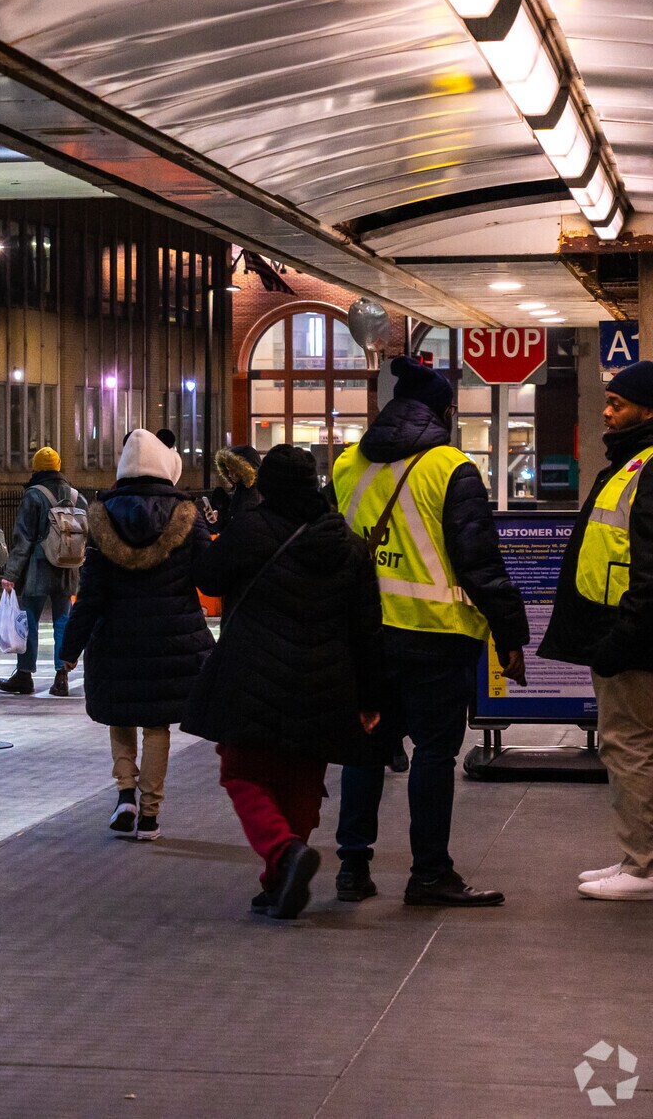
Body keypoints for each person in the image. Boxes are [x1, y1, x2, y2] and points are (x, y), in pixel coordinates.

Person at [331, 356, 528, 907]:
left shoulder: (349, 464)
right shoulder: (450, 467)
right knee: (435, 753)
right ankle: (429, 874)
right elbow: (480, 562)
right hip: (435, 637)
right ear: (443, 411)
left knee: (366, 750)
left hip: (365, 636)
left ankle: (352, 869)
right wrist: (509, 633)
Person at [187, 446, 386, 919]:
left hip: (252, 672)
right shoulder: (348, 543)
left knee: (242, 771)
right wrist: (371, 695)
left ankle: (284, 853)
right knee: (302, 779)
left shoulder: (250, 528)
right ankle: (279, 883)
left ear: (268, 484)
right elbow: (367, 625)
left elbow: (208, 580)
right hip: (328, 680)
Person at [59, 429, 212, 840]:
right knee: (158, 726)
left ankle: (125, 792)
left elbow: (89, 595)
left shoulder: (101, 514)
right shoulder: (187, 514)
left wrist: (69, 650)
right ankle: (149, 815)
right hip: (171, 639)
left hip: (116, 639)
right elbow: (210, 577)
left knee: (121, 718)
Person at [538, 359, 653, 901]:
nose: (606, 412)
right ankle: (637, 857)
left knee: (629, 746)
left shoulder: (647, 468)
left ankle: (644, 867)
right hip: (627, 634)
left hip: (634, 640)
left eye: (617, 404)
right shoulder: (634, 462)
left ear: (647, 411)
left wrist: (621, 639)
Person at [0, 446, 83, 697]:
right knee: (62, 620)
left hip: (38, 567)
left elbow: (23, 539)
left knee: (30, 620)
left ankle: (24, 675)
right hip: (68, 567)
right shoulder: (77, 496)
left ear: (36, 468)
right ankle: (62, 676)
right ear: (58, 467)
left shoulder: (34, 495)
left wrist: (11, 574)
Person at [204, 444, 262, 529]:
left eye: (234, 470)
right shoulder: (241, 490)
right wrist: (216, 521)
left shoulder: (254, 496)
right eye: (228, 470)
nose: (230, 474)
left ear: (245, 471)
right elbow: (231, 527)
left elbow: (238, 530)